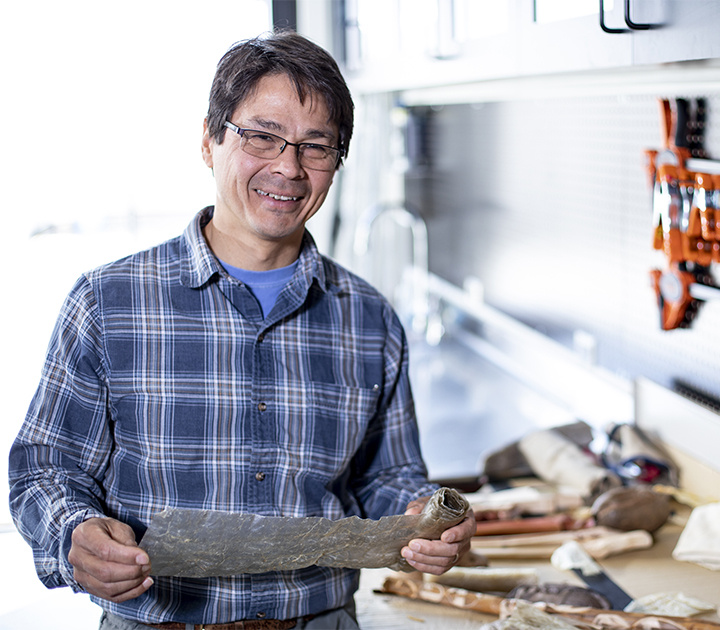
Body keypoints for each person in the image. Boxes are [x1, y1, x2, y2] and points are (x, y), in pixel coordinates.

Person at [8, 30, 475, 629]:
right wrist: (72, 533)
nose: (288, 167)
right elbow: (46, 469)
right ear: (209, 140)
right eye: (261, 136)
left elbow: (386, 476)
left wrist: (422, 517)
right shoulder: (107, 301)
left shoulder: (369, 317)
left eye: (316, 146)